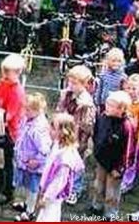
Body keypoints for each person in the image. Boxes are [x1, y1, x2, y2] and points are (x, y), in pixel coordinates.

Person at [90, 91, 136, 221]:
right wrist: (96, 151)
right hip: (101, 160)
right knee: (98, 185)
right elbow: (96, 133)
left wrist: (121, 168)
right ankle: (96, 205)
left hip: (115, 165)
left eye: (111, 105)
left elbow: (128, 150)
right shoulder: (103, 116)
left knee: (112, 191)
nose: (106, 106)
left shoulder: (127, 126)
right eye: (107, 103)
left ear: (121, 109)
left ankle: (110, 213)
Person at [0, 54, 27, 205]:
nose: (4, 74)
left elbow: (9, 115)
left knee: (9, 162)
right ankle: (0, 181)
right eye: (4, 70)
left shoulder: (18, 91)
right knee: (3, 158)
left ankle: (7, 191)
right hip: (2, 127)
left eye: (7, 71)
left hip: (10, 131)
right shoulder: (3, 83)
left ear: (17, 72)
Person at [55, 65, 97, 205]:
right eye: (69, 82)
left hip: (78, 138)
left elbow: (88, 125)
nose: (70, 85)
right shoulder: (66, 94)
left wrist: (76, 121)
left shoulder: (87, 103)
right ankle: (63, 184)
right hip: (64, 133)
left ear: (84, 84)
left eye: (74, 83)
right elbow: (59, 108)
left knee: (77, 164)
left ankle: (76, 189)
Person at [34, 113, 85, 222]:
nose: (49, 129)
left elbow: (59, 182)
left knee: (50, 215)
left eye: (53, 127)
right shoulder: (58, 143)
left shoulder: (65, 158)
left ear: (63, 132)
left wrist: (46, 198)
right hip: (48, 188)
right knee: (45, 214)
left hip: (52, 195)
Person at [11, 93, 52, 221]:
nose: (24, 111)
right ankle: (26, 204)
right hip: (25, 162)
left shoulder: (38, 128)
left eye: (28, 110)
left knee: (33, 188)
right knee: (26, 185)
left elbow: (45, 149)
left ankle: (30, 211)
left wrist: (37, 161)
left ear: (37, 110)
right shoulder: (27, 119)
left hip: (33, 166)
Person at [94, 48, 127, 112]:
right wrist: (97, 101)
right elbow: (100, 89)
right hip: (103, 103)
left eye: (119, 61)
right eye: (113, 61)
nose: (116, 63)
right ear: (108, 61)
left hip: (116, 104)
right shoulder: (103, 74)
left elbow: (123, 91)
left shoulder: (123, 77)